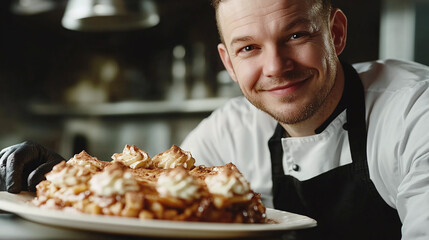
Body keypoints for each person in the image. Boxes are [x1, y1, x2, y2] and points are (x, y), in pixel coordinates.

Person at [1, 0, 429, 239]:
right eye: (248, 48)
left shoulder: (414, 111)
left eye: (296, 35)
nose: (276, 66)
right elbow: (152, 194)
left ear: (335, 33)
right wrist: (62, 176)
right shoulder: (231, 128)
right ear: (227, 61)